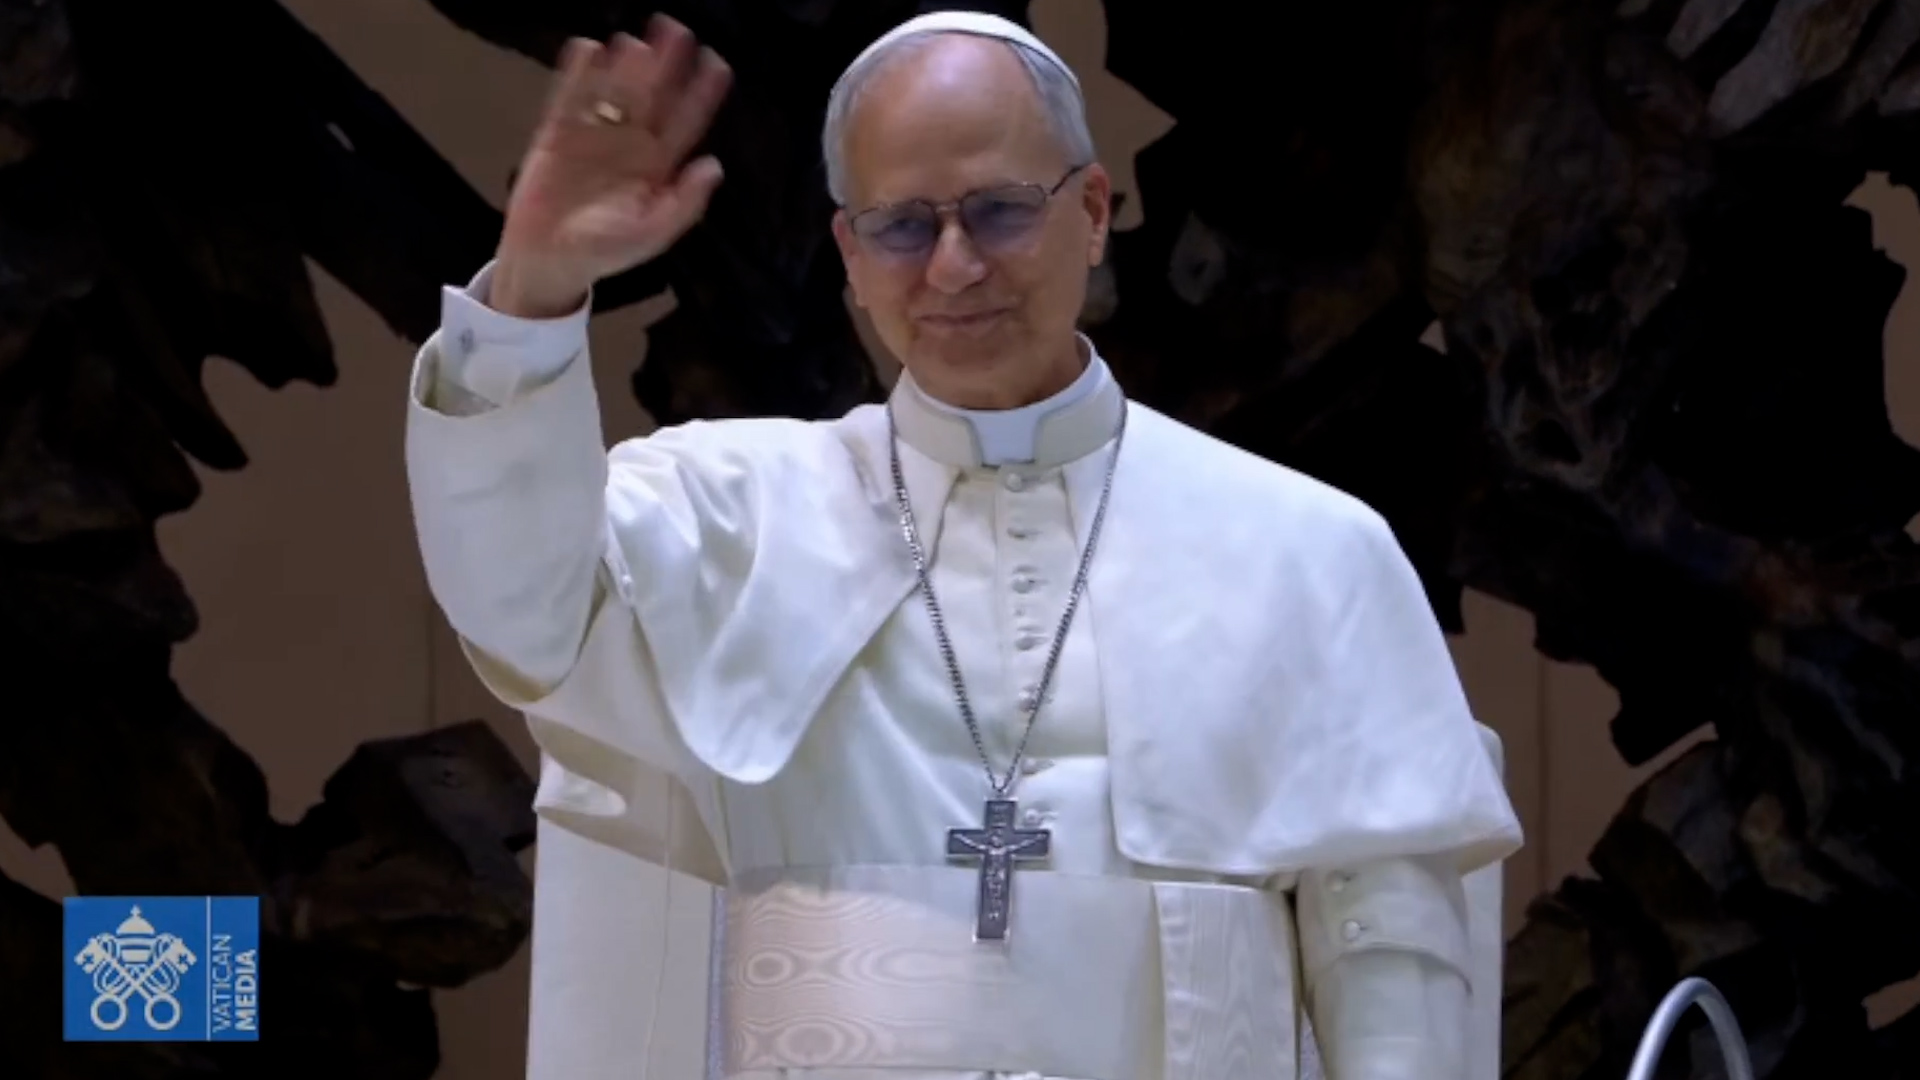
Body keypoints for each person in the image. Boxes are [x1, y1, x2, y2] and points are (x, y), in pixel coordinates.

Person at [405, 10, 1524, 1080]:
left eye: (998, 212)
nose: (952, 266)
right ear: (849, 254)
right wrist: (533, 294)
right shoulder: (727, 512)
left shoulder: (1309, 552)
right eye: (902, 227)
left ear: (1094, 211)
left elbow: (1389, 939)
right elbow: (522, 607)